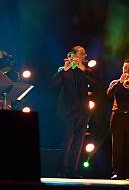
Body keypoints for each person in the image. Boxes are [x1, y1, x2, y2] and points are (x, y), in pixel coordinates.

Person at [52, 46, 94, 178]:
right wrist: (65, 69)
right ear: (73, 55)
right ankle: (62, 170)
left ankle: (73, 170)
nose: (84, 56)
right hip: (67, 111)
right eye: (81, 54)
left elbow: (97, 83)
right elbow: (53, 84)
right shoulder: (63, 70)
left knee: (78, 142)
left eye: (84, 55)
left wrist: (84, 69)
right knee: (67, 140)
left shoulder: (86, 71)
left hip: (83, 111)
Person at [107, 59, 129, 179]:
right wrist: (119, 83)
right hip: (117, 116)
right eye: (125, 68)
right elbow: (109, 94)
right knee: (117, 145)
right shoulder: (115, 82)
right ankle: (116, 171)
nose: (127, 70)